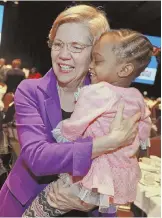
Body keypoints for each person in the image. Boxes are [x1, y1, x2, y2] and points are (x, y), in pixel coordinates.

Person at [0, 5, 140, 217]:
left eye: (76, 47)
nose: (63, 55)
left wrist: (100, 203)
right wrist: (107, 143)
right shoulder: (30, 91)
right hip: (26, 206)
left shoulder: (111, 97)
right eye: (58, 44)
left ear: (96, 53)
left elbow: (117, 166)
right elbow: (37, 157)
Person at [23, 29, 152, 217]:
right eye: (58, 44)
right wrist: (137, 142)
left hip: (90, 174)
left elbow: (78, 123)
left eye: (97, 60)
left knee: (47, 202)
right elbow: (144, 124)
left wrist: (64, 134)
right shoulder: (136, 96)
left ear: (124, 69)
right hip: (112, 181)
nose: (91, 65)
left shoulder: (97, 91)